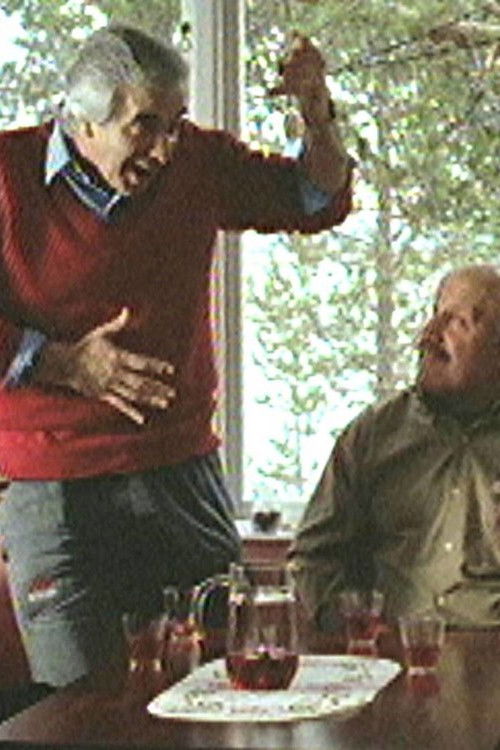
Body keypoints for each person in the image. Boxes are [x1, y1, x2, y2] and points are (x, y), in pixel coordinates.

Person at [0, 25, 353, 686]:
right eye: (145, 126)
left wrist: (316, 111)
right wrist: (65, 364)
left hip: (183, 477)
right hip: (56, 490)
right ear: (83, 121)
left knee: (228, 688)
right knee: (81, 712)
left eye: (176, 124)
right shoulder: (6, 178)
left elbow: (315, 198)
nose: (166, 148)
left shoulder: (196, 163)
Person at [289, 264, 500, 631]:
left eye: (459, 323)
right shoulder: (373, 435)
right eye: (436, 315)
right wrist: (351, 627)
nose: (430, 335)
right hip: (393, 649)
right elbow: (312, 560)